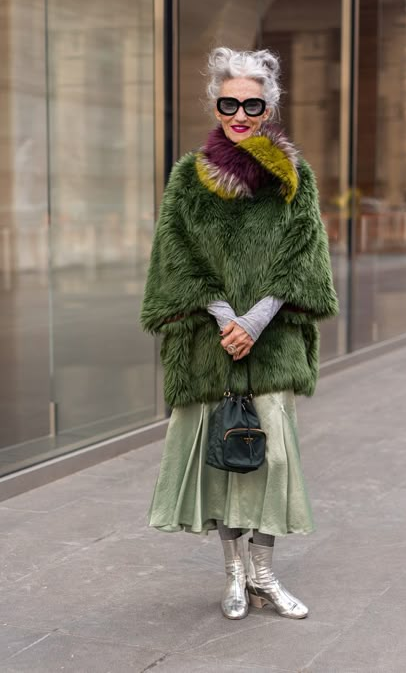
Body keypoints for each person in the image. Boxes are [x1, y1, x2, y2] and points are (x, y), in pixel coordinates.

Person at [140, 47, 339, 621]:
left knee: (271, 461)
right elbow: (174, 254)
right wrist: (226, 316)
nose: (240, 113)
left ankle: (264, 577)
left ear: (269, 106)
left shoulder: (293, 178)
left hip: (271, 342)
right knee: (219, 462)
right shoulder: (189, 175)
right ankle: (233, 577)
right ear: (216, 102)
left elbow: (306, 256)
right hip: (209, 342)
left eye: (253, 103)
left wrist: (256, 321)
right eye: (230, 102)